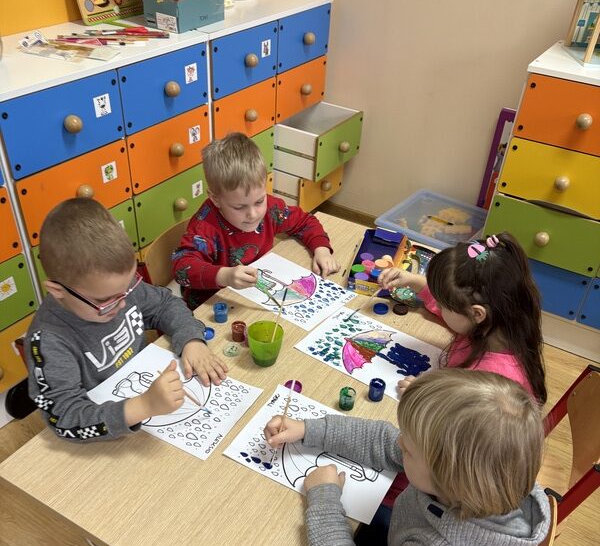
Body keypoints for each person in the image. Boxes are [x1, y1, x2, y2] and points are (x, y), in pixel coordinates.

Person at [264, 369, 550, 546]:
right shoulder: (486, 478)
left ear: (446, 477)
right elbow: (386, 441)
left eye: (409, 450)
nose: (400, 444)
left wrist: (323, 496)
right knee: (357, 530)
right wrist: (308, 429)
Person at [26, 198, 228, 442]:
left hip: (146, 398)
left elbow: (165, 304)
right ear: (58, 291)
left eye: (127, 288)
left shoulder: (114, 287)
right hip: (106, 437)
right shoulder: (48, 341)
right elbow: (64, 420)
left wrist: (191, 340)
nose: (122, 303)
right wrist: (142, 406)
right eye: (106, 300)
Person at [172, 132, 340, 309]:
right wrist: (224, 275)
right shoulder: (204, 227)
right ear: (215, 199)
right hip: (211, 307)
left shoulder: (271, 209)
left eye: (259, 201)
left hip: (255, 296)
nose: (253, 214)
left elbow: (304, 221)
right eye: (239, 207)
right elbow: (182, 268)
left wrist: (321, 249)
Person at [378, 232, 547, 403]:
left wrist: (422, 398)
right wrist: (413, 281)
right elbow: (457, 304)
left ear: (477, 314)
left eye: (442, 305)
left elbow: (458, 417)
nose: (438, 307)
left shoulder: (493, 385)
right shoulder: (499, 322)